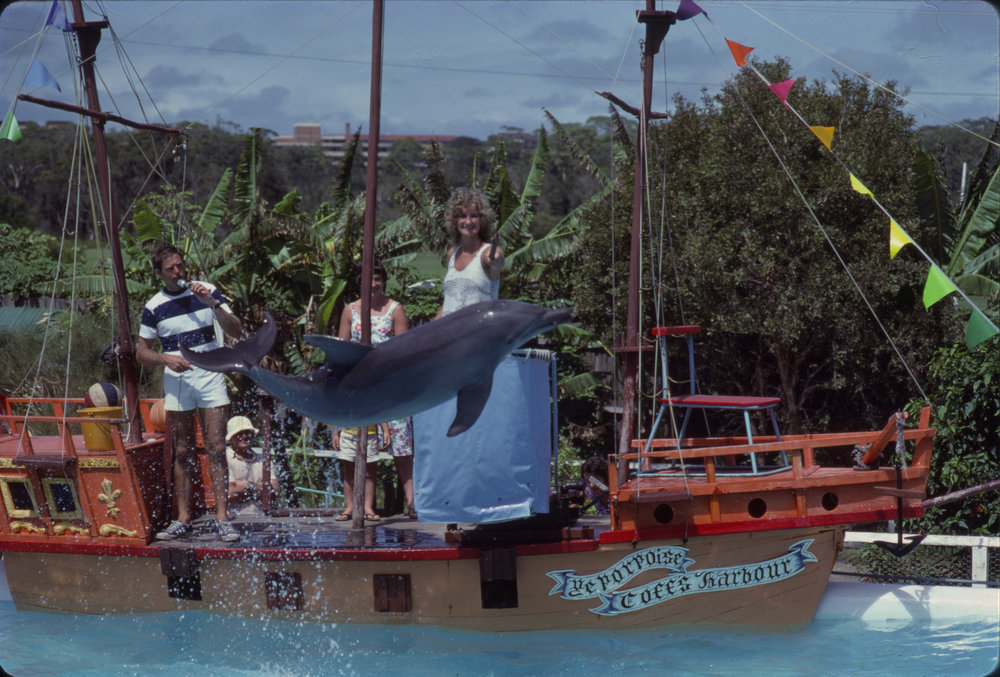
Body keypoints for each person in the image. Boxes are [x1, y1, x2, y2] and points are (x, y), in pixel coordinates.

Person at [137, 243, 243, 542]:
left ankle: (223, 519)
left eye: (180, 266)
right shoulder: (154, 306)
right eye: (170, 269)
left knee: (217, 447)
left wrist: (212, 302)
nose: (178, 272)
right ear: (159, 273)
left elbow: (236, 330)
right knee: (182, 451)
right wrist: (165, 359)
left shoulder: (207, 290)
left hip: (211, 373)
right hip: (178, 378)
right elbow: (141, 353)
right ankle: (182, 518)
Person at [337, 259, 417, 518]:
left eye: (377, 279)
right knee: (356, 449)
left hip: (389, 385)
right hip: (360, 387)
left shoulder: (395, 309)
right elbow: (341, 351)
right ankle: (355, 505)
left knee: (401, 446)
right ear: (359, 282)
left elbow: (404, 350)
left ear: (383, 282)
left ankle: (412, 501)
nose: (373, 284)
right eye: (367, 279)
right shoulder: (350, 310)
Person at [436, 187, 504, 318]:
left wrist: (495, 261)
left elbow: (497, 258)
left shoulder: (487, 252)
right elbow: (449, 302)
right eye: (462, 216)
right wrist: (431, 327)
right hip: (451, 329)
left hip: (480, 329)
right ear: (455, 220)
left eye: (474, 216)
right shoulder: (452, 254)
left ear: (482, 220)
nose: (468, 222)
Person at [334, 422, 391, 521]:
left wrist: (385, 430)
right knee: (349, 473)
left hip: (370, 435)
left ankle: (367, 508)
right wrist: (335, 433)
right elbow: (339, 413)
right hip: (348, 434)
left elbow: (379, 412)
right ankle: (349, 507)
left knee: (370, 473)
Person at [225, 415, 278, 517]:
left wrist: (245, 485)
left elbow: (274, 491)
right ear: (231, 438)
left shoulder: (263, 460)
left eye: (248, 433)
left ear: (253, 435)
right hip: (233, 519)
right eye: (239, 434)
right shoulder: (224, 459)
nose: (244, 436)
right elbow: (230, 494)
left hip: (262, 518)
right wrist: (260, 487)